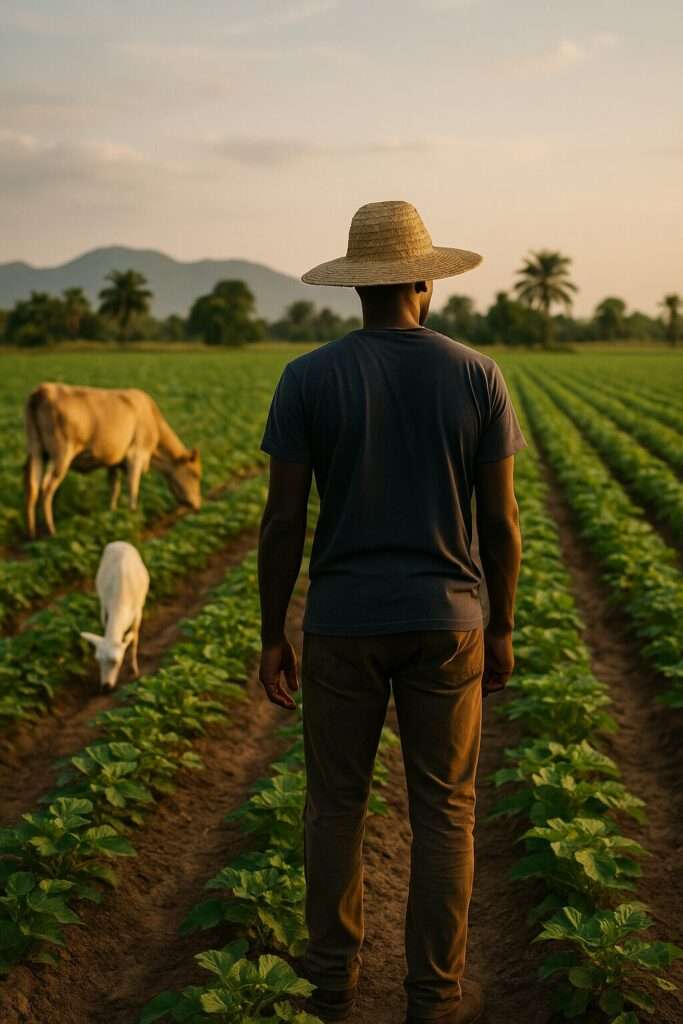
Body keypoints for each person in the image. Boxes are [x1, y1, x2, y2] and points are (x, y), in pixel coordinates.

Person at [257, 200, 525, 1024]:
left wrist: (274, 632)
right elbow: (501, 522)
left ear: (357, 288)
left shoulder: (308, 376)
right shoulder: (475, 373)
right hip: (448, 622)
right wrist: (504, 625)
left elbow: (283, 518)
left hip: (342, 622)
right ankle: (433, 998)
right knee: (444, 810)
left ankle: (331, 984)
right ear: (423, 282)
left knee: (335, 807)